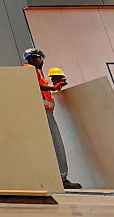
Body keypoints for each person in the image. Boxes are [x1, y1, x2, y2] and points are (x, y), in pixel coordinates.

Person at [23, 48, 81, 190]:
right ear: (32, 59)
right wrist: (52, 87)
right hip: (43, 113)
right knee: (57, 144)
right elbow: (36, 86)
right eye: (39, 58)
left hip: (44, 112)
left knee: (50, 146)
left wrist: (54, 86)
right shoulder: (29, 69)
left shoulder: (36, 73)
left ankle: (55, 177)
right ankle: (62, 178)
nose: (42, 61)